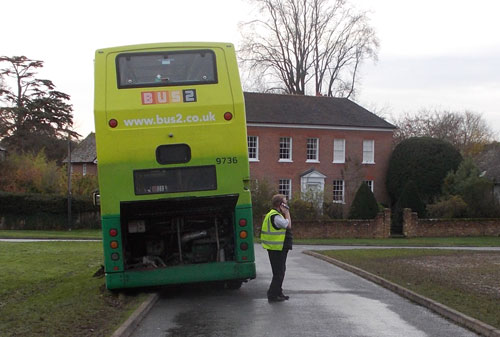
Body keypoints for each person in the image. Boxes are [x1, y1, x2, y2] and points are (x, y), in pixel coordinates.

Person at [261, 194, 293, 302]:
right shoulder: (276, 216)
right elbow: (288, 225)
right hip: (277, 248)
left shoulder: (273, 214)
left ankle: (278, 292)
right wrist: (287, 213)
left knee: (280, 271)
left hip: (277, 247)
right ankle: (273, 294)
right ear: (280, 204)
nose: (287, 206)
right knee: (278, 272)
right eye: (285, 203)